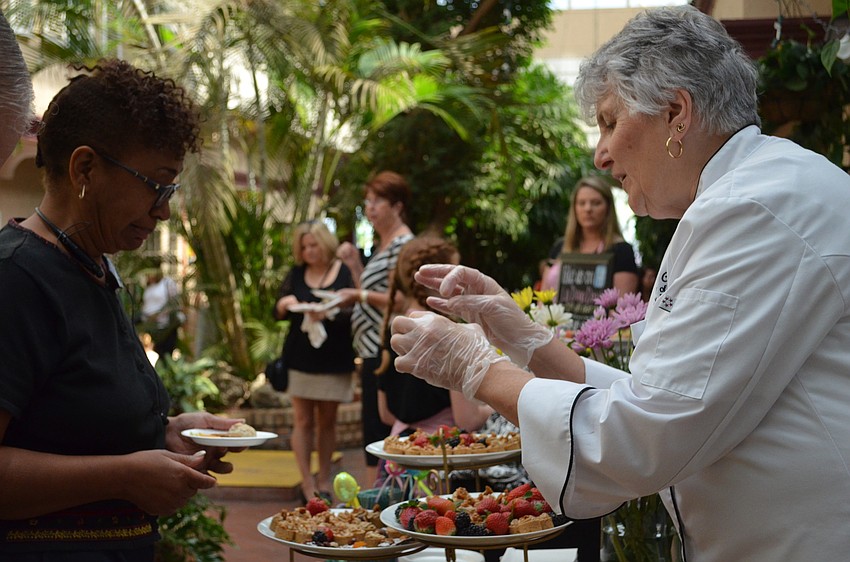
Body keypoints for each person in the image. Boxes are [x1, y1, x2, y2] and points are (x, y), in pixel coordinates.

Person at [390, 6, 850, 561]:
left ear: (676, 113)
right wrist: (526, 341)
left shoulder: (754, 207)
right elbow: (664, 394)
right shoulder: (750, 191)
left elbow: (646, 435)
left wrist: (478, 369)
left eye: (610, 122)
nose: (600, 154)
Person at [0, 58, 243, 561]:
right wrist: (124, 476)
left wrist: (167, 436)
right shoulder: (17, 277)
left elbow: (75, 424)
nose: (164, 210)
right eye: (156, 185)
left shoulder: (91, 266)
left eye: (171, 190)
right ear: (85, 168)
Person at [335, 170, 414, 484]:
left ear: (397, 206)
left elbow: (403, 300)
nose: (370, 207)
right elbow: (370, 294)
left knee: (382, 427)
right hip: (371, 346)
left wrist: (357, 295)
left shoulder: (403, 244)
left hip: (387, 348)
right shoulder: (384, 245)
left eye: (378, 201)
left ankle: (384, 495)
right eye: (367, 201)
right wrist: (355, 266)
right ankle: (377, 494)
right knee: (373, 426)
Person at [375, 236, 492, 437]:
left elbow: (385, 414)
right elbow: (467, 419)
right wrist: (494, 408)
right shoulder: (447, 333)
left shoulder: (391, 330)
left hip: (400, 447)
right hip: (441, 448)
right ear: (437, 277)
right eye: (456, 273)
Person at [273, 221, 356, 502]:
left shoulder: (343, 272)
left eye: (314, 245)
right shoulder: (297, 273)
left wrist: (329, 313)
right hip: (300, 356)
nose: (309, 251)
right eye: (304, 246)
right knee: (302, 420)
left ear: (325, 243)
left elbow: (355, 311)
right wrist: (284, 304)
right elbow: (278, 309)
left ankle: (324, 480)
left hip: (335, 357)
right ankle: (307, 484)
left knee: (328, 421)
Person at [541, 176, 638, 296]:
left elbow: (623, 302)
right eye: (582, 203)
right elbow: (543, 296)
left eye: (596, 203)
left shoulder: (622, 251)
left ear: (608, 207)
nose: (588, 209)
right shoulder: (559, 247)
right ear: (574, 208)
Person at [139, 269, 184, 357]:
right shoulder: (149, 286)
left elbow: (174, 303)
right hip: (152, 327)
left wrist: (158, 314)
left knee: (165, 352)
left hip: (166, 326)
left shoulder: (167, 283)